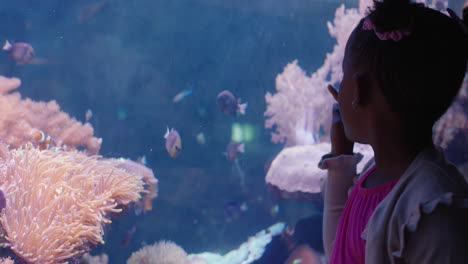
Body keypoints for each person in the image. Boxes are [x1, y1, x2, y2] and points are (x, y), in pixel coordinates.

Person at [319, 0, 468, 263]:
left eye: (343, 76)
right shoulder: (374, 173)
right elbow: (339, 253)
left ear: (360, 90)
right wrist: (341, 161)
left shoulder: (432, 211)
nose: (336, 91)